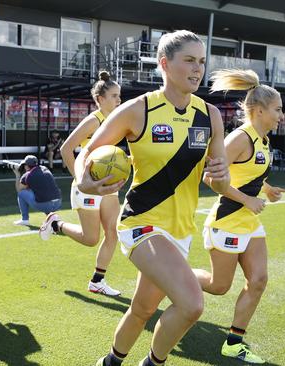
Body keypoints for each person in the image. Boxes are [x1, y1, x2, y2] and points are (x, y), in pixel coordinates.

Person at [74, 31, 229, 366]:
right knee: (192, 304)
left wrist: (220, 176)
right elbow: (87, 152)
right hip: (141, 222)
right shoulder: (138, 110)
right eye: (189, 60)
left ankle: (110, 362)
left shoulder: (211, 116)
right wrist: (84, 183)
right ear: (165, 64)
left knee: (143, 308)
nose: (197, 68)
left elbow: (218, 182)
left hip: (180, 230)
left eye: (201, 61)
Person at [193, 69, 285, 364]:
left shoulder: (263, 140)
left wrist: (267, 189)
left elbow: (249, 175)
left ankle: (234, 341)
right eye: (278, 110)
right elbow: (210, 178)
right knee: (219, 286)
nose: (281, 116)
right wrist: (248, 199)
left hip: (249, 223)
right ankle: (172, 278)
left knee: (258, 280)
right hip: (227, 221)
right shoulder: (240, 138)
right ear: (259, 111)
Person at [39, 70, 122, 296]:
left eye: (119, 96)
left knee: (113, 232)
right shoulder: (93, 121)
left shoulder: (117, 120)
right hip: (87, 186)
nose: (118, 100)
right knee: (90, 239)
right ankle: (57, 224)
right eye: (114, 96)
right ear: (100, 100)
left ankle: (97, 281)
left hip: (107, 186)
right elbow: (66, 149)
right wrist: (80, 179)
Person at [13, 155, 61, 226]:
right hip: (58, 203)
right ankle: (51, 217)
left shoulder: (27, 175)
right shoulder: (45, 168)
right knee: (42, 194)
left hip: (46, 205)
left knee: (21, 193)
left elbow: (19, 189)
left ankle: (25, 219)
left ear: (27, 166)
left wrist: (17, 175)